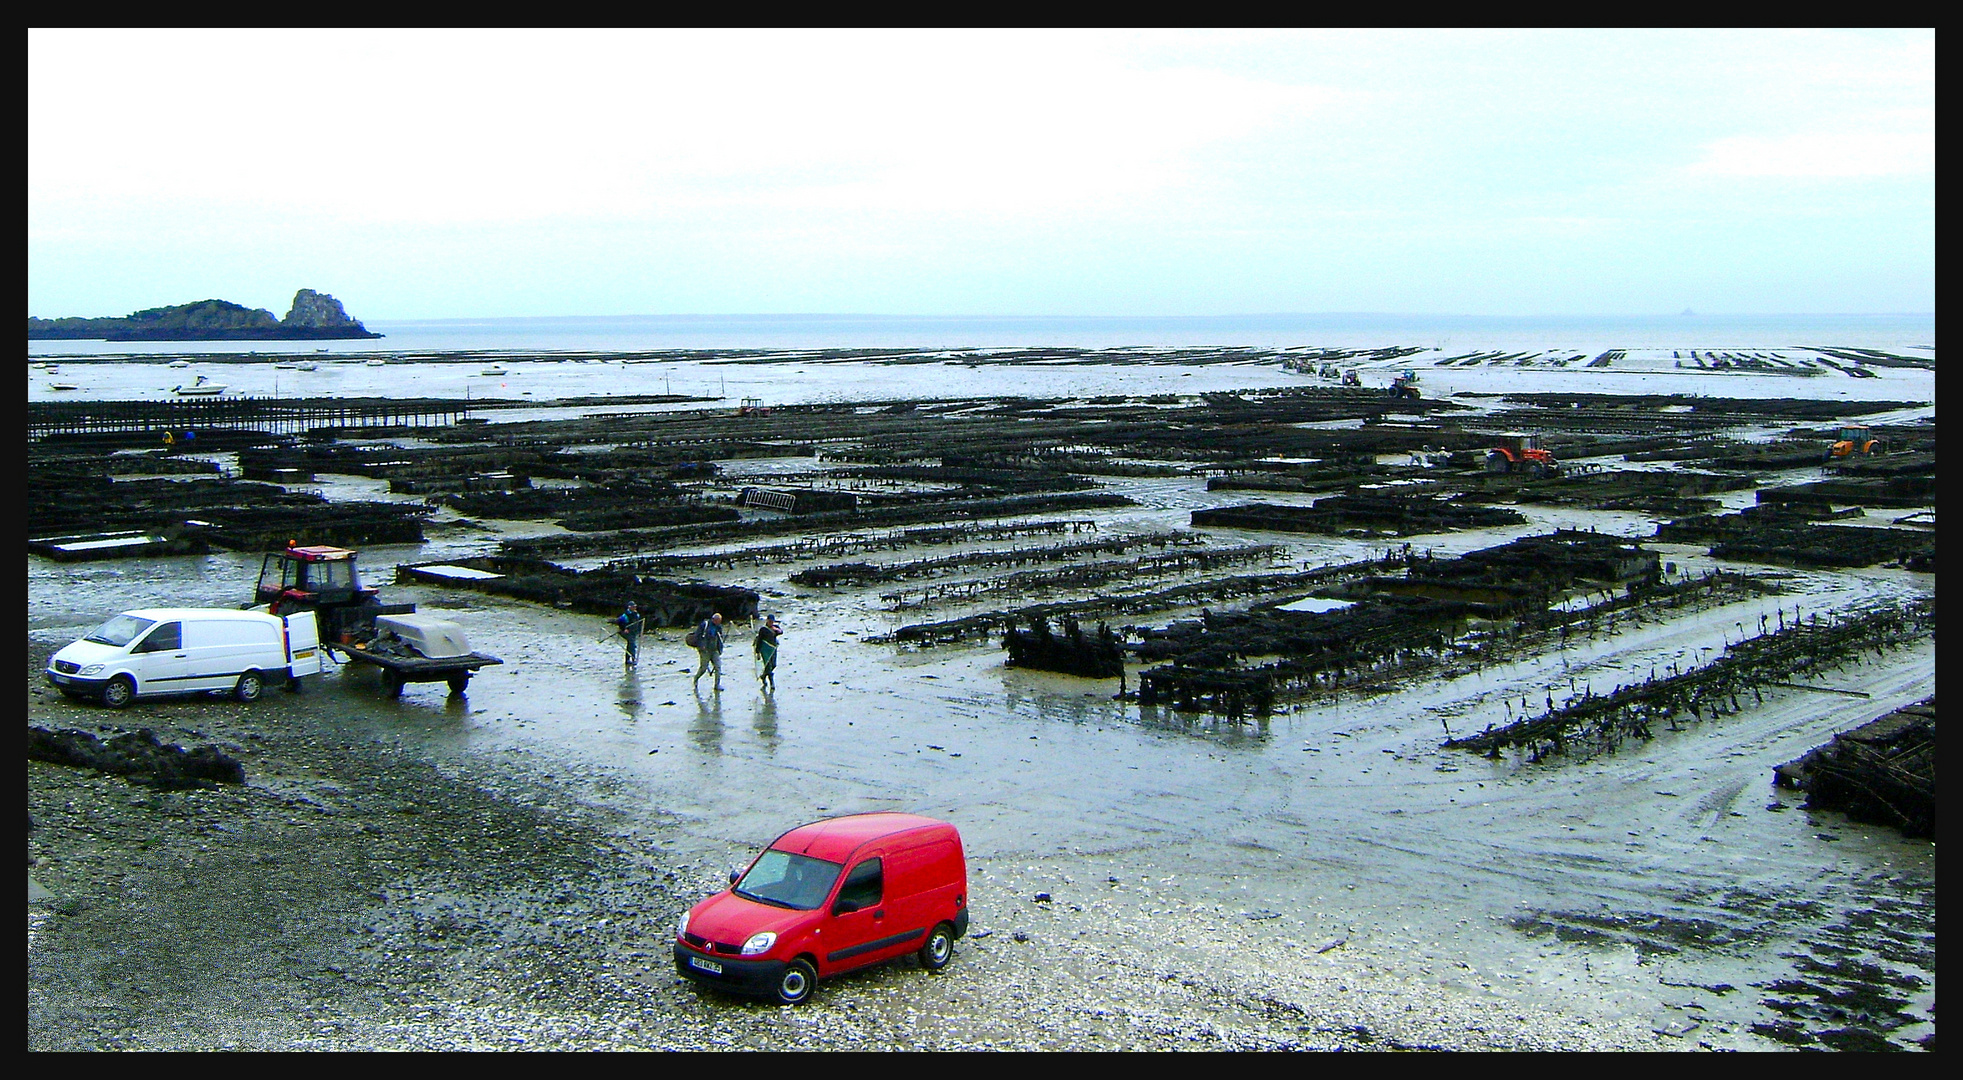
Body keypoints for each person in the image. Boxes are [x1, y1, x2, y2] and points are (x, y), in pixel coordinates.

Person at [691, 611, 726, 691]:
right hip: (705, 650)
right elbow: (697, 636)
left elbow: (720, 638)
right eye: (718, 621)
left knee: (718, 667)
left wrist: (720, 649)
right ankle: (696, 679)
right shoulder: (704, 625)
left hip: (714, 650)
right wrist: (701, 646)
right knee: (703, 668)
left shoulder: (718, 627)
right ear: (714, 619)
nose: (719, 623)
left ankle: (717, 685)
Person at [753, 615, 782, 691]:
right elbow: (759, 640)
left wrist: (776, 630)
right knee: (768, 666)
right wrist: (757, 652)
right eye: (770, 621)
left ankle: (763, 676)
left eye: (772, 622)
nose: (771, 623)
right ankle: (772, 683)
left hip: (773, 649)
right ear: (767, 620)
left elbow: (781, 632)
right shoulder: (763, 629)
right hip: (765, 650)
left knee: (773, 665)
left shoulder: (775, 627)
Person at [615, 601, 644, 666]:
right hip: (626, 632)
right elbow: (619, 621)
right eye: (633, 607)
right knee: (632, 644)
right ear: (629, 607)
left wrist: (639, 632)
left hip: (633, 632)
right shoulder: (625, 615)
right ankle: (633, 659)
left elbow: (638, 623)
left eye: (635, 606)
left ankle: (627, 660)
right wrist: (624, 629)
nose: (634, 608)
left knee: (630, 645)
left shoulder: (637, 614)